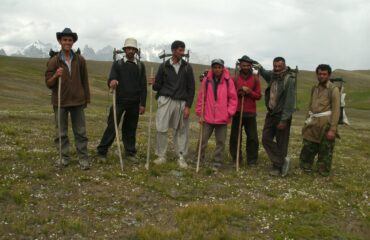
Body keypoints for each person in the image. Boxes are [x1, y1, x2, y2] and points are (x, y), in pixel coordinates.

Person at [45, 28, 90, 170]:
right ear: (60, 41)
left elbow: (85, 81)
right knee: (61, 132)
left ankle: (83, 158)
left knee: (80, 132)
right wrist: (55, 76)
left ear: (73, 42)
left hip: (77, 101)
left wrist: (86, 99)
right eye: (65, 40)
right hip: (60, 101)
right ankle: (64, 158)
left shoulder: (80, 60)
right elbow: (48, 83)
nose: (67, 42)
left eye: (70, 40)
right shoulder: (54, 61)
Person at [97, 38, 147, 163]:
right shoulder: (117, 64)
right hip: (119, 101)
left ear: (136, 51)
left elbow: (143, 86)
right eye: (128, 49)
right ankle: (102, 151)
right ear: (124, 50)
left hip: (134, 102)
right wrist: (112, 82)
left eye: (133, 49)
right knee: (112, 126)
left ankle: (130, 153)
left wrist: (142, 104)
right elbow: (111, 79)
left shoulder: (140, 66)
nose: (130, 51)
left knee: (130, 128)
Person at [150, 40, 195, 169]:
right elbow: (157, 87)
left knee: (181, 130)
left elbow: (191, 88)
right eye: (180, 50)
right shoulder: (163, 66)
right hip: (165, 100)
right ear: (173, 51)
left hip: (181, 101)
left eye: (183, 50)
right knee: (161, 128)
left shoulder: (187, 67)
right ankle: (161, 155)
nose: (183, 53)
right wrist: (153, 83)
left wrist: (188, 106)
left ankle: (181, 157)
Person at [196, 59, 237, 169]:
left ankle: (218, 162)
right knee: (202, 140)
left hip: (222, 118)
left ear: (223, 68)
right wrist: (200, 113)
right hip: (207, 117)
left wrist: (229, 113)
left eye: (219, 67)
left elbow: (233, 99)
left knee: (220, 142)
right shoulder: (206, 81)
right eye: (215, 67)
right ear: (212, 68)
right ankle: (199, 159)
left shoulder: (229, 81)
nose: (217, 69)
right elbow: (201, 97)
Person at [299, 64, 340, 176]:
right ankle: (305, 165)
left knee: (325, 149)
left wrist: (333, 129)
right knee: (308, 145)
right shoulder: (314, 88)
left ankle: (322, 171)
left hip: (325, 123)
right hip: (313, 121)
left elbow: (336, 110)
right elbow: (310, 106)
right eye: (319, 74)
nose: (321, 76)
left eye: (324, 74)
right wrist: (306, 121)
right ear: (317, 74)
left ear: (329, 75)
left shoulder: (333, 89)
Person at [259, 57, 296, 177]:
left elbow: (290, 102)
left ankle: (277, 167)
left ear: (284, 66)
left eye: (279, 66)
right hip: (271, 114)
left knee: (281, 142)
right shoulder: (272, 76)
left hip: (282, 116)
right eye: (275, 66)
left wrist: (284, 119)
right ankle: (282, 161)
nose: (277, 68)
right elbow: (264, 73)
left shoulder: (289, 80)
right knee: (265, 139)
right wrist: (259, 67)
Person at [229, 55, 261, 166]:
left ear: (251, 65)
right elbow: (230, 94)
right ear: (240, 65)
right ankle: (236, 158)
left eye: (248, 65)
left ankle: (251, 160)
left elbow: (258, 96)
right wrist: (239, 91)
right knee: (235, 137)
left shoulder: (256, 79)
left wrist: (249, 92)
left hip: (250, 112)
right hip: (237, 111)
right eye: (243, 65)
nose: (246, 67)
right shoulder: (235, 79)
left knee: (252, 137)